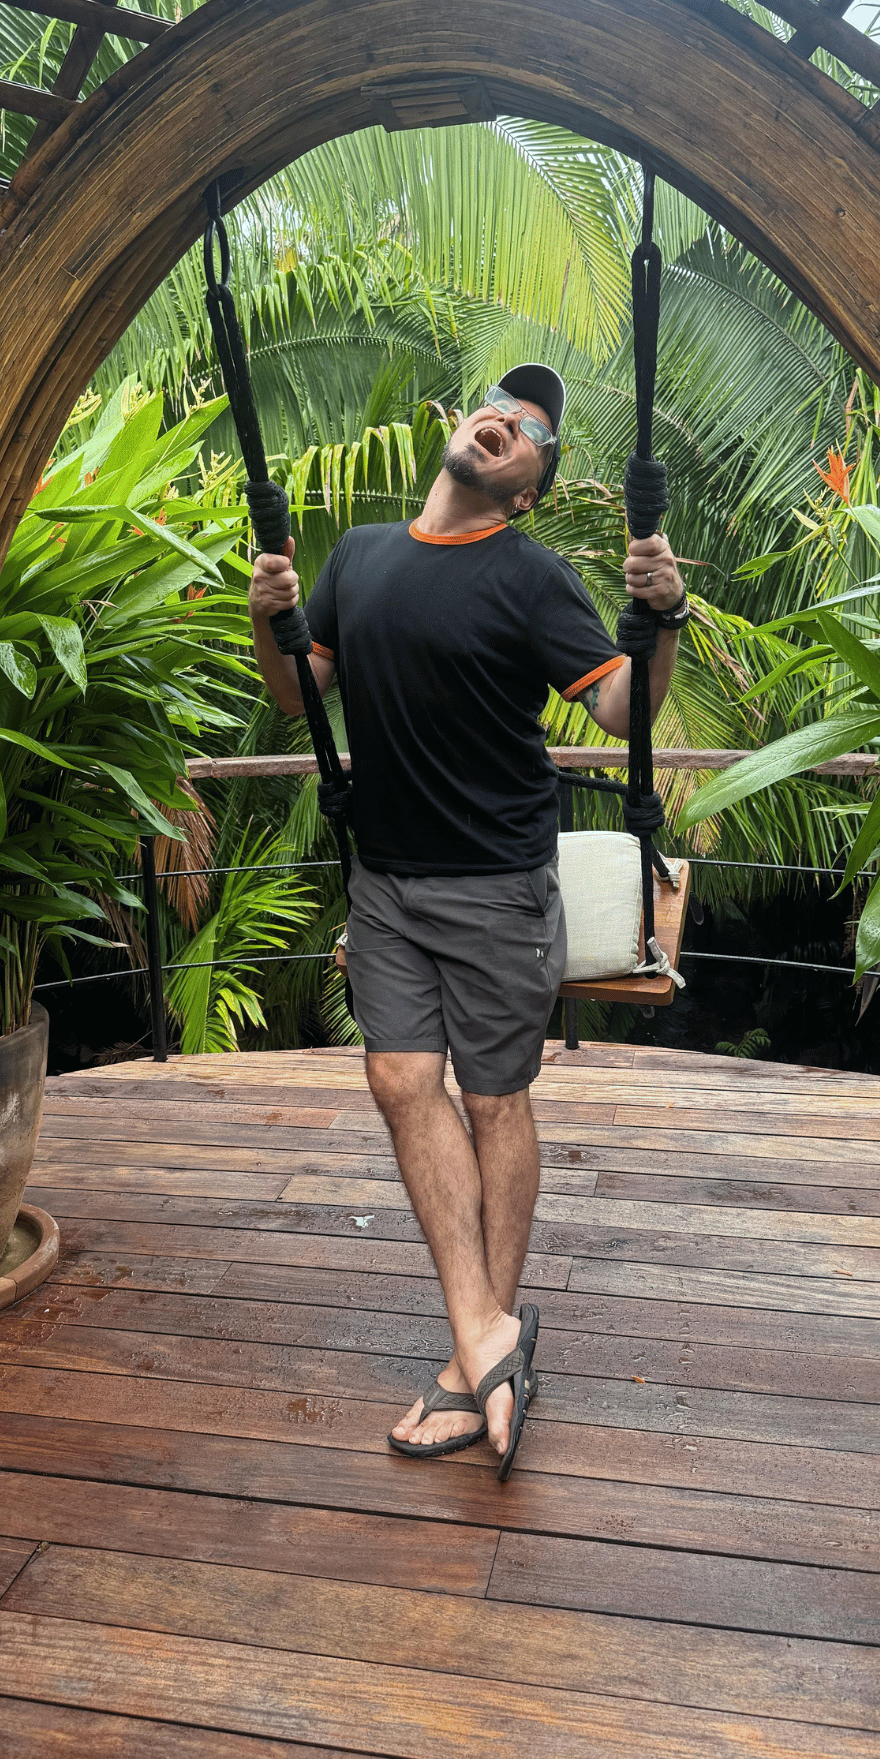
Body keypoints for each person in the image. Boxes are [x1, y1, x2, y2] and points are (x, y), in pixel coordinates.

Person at [248, 366, 686, 1478]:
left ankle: (469, 1353)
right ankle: (488, 1331)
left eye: (535, 428)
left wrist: (662, 616)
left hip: (497, 883)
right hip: (386, 879)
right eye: (502, 404)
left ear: (527, 486)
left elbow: (621, 707)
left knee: (494, 1100)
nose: (512, 420)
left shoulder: (531, 574)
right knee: (400, 1080)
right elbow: (299, 693)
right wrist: (268, 623)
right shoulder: (356, 556)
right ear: (462, 420)